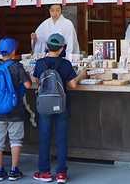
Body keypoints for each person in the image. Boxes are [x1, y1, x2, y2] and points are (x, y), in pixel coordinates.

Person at [33, 33, 87, 183]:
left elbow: (37, 81)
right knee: (61, 137)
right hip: (62, 104)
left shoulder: (39, 63)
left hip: (44, 105)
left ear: (46, 46)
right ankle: (61, 173)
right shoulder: (65, 64)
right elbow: (73, 84)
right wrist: (81, 75)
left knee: (44, 137)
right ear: (62, 48)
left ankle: (44, 172)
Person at [0, 38, 31, 181]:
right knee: (15, 140)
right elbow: (27, 85)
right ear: (14, 51)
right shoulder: (17, 67)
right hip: (15, 109)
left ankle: (0, 170)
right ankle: (14, 170)